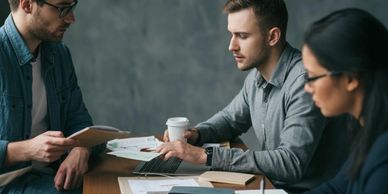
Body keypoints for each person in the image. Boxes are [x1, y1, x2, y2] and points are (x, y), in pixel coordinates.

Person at [156, 0, 348, 192]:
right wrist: (196, 134)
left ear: (272, 36)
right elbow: (230, 120)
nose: (232, 46)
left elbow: (290, 163)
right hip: (269, 186)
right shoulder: (256, 77)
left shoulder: (303, 82)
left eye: (242, 36)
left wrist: (206, 155)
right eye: (232, 35)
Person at [0, 0, 101, 193]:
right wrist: (26, 149)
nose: (71, 18)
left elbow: (78, 120)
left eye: (72, 7)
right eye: (62, 8)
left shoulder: (60, 55)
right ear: (27, 4)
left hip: (54, 177)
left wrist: (81, 150)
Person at [301, 8, 388, 193]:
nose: (307, 87)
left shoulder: (384, 155)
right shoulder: (367, 129)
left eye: (312, 77)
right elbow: (336, 188)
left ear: (351, 79)